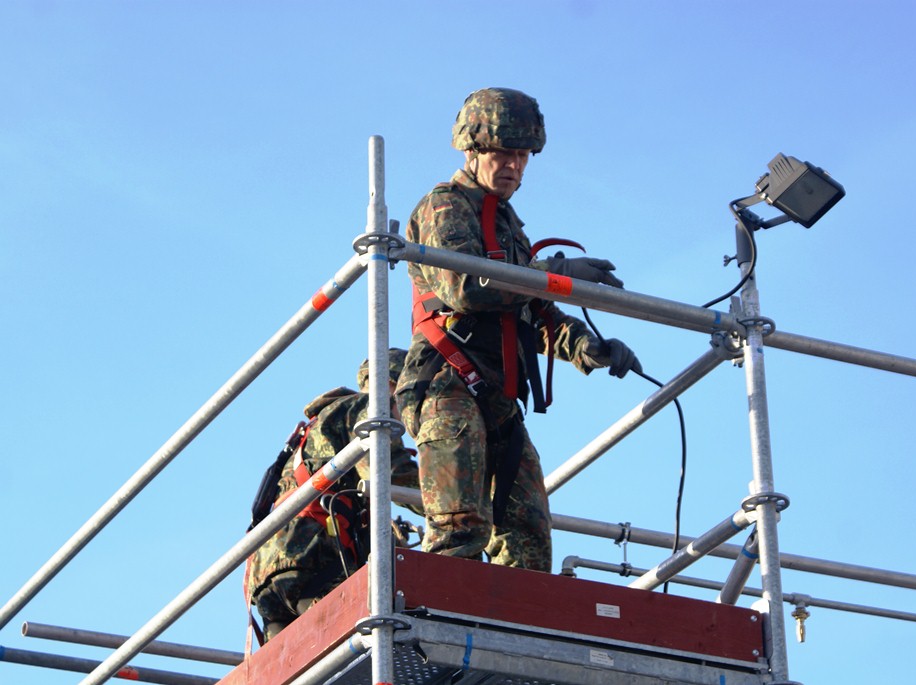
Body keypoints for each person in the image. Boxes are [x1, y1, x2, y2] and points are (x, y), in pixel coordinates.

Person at [396, 87, 640, 573]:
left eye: (523, 155)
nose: (514, 165)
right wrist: (555, 273)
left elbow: (532, 314)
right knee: (460, 529)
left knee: (527, 537)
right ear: (472, 148)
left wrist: (586, 346)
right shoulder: (444, 207)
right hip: (448, 385)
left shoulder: (508, 226)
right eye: (502, 153)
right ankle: (444, 618)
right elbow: (465, 287)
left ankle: (513, 621)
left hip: (498, 398)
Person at [247, 348, 419, 641]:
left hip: (267, 574)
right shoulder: (368, 409)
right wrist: (456, 502)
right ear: (397, 385)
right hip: (313, 563)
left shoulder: (317, 426)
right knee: (371, 641)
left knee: (296, 663)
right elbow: (389, 472)